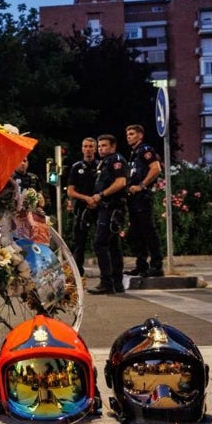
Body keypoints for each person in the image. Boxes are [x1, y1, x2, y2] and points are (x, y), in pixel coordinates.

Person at [88, 133, 128, 295]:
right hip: (106, 207)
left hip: (112, 207)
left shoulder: (116, 160)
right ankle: (116, 283)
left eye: (104, 145)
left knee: (100, 243)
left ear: (113, 146)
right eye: (99, 146)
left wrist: (101, 195)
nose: (100, 149)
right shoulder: (105, 162)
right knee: (112, 246)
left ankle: (107, 282)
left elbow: (121, 182)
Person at [123, 124, 164, 277]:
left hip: (143, 197)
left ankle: (156, 265)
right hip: (133, 198)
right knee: (136, 232)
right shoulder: (134, 153)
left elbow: (156, 168)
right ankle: (141, 265)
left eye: (132, 134)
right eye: (127, 134)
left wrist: (142, 185)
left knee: (148, 231)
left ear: (140, 135)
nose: (129, 136)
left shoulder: (145, 149)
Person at [64, 137, 98, 278]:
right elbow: (70, 190)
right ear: (82, 148)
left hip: (99, 206)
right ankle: (78, 273)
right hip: (81, 208)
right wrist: (85, 198)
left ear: (95, 149)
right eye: (85, 146)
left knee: (101, 241)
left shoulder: (101, 165)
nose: (88, 149)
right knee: (79, 242)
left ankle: (108, 273)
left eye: (91, 146)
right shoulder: (76, 167)